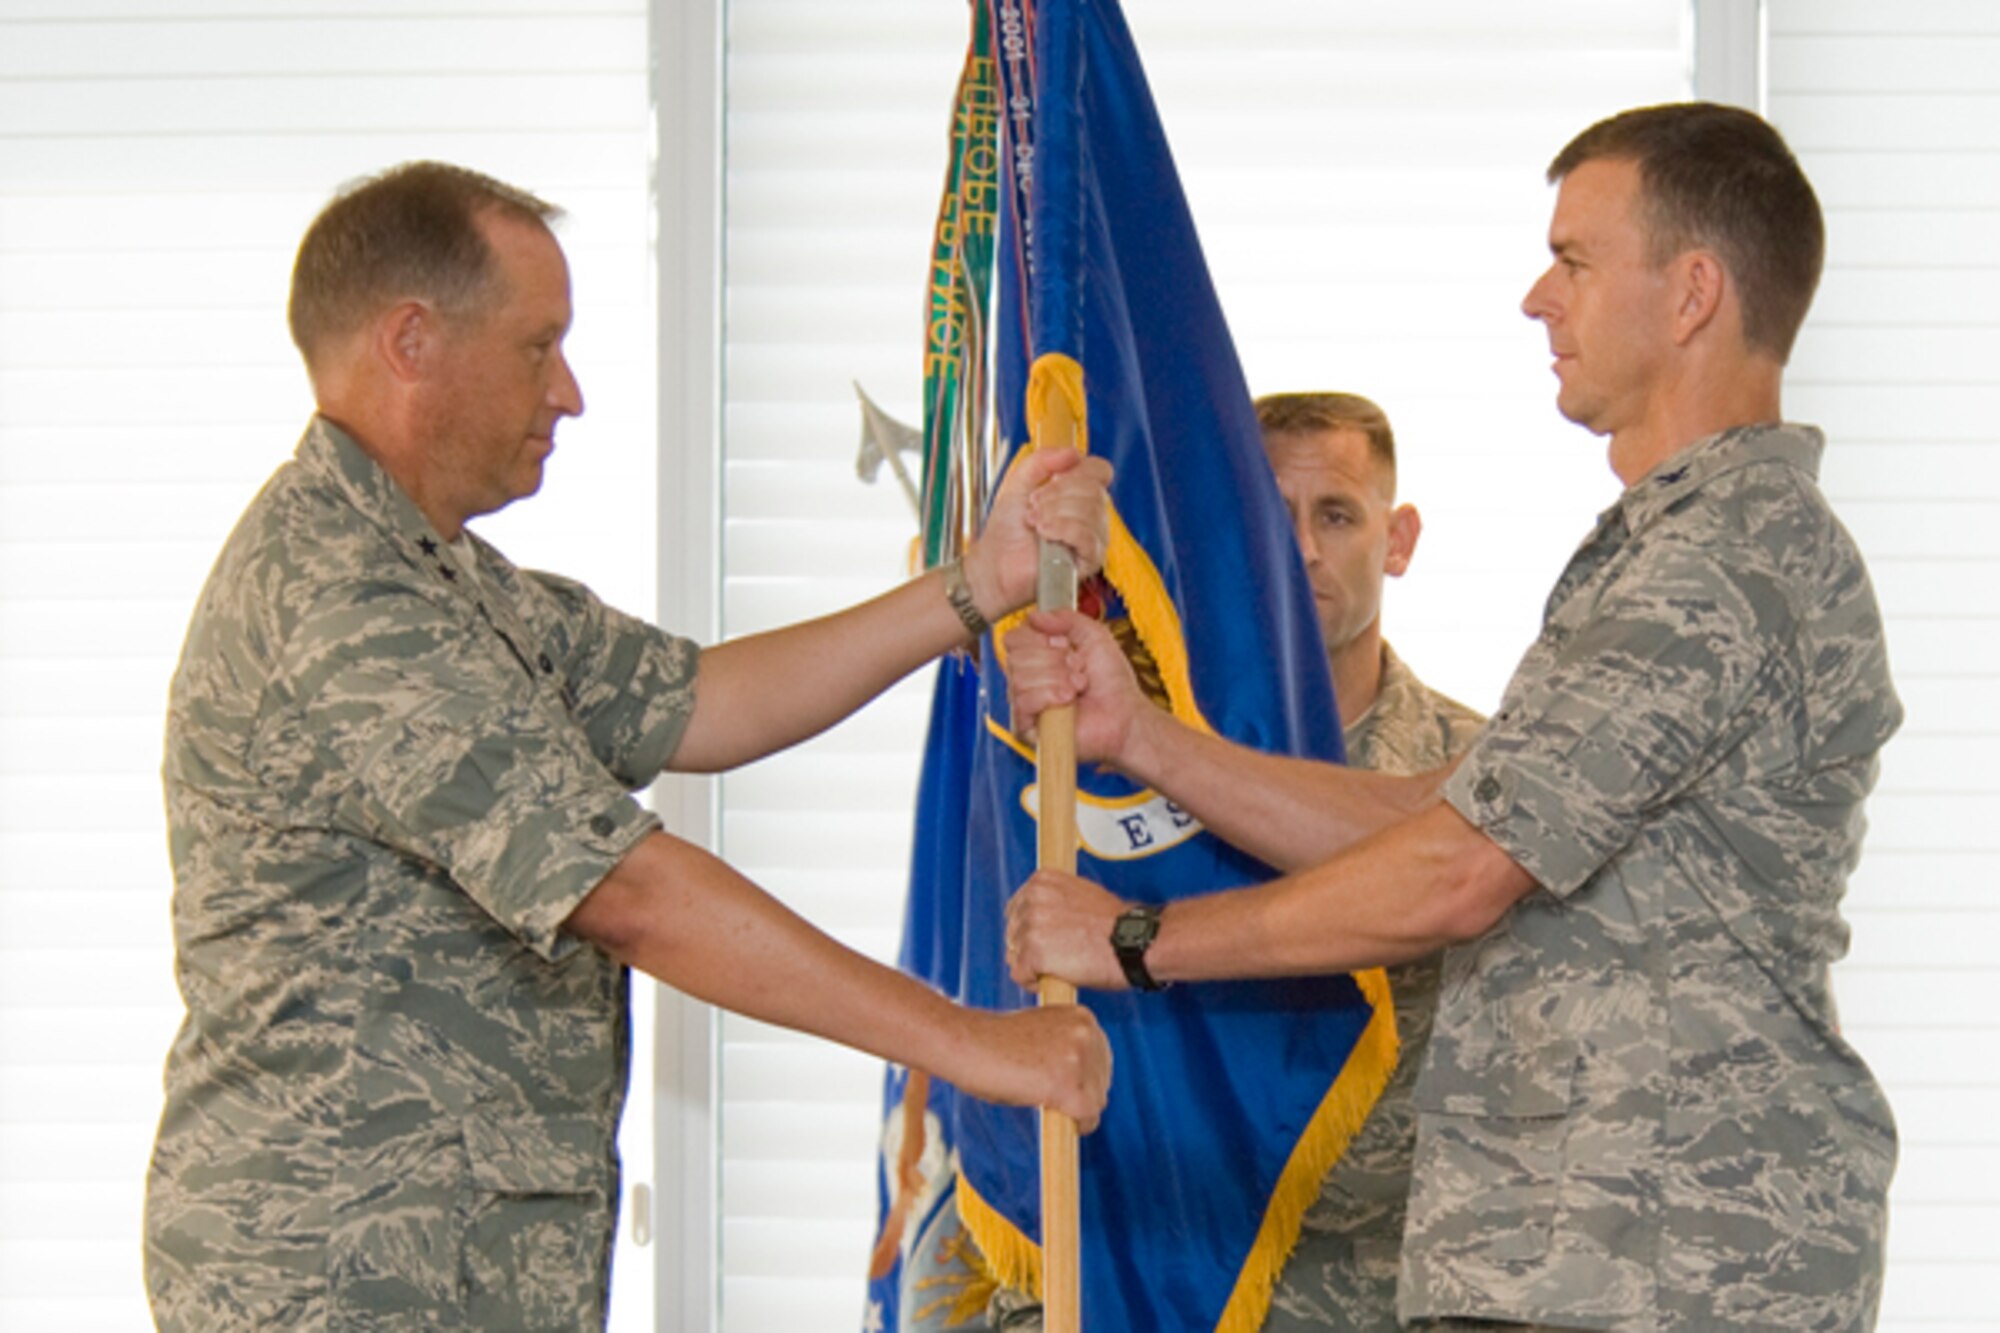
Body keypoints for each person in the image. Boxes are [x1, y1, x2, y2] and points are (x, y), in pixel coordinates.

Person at [144, 160, 1114, 1331]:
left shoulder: (449, 580)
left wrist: (975, 583)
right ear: (411, 340)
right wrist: (972, 1045)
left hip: (450, 1265)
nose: (569, 392)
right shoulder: (341, 599)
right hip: (340, 1274)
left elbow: (703, 701)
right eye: (536, 345)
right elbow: (632, 894)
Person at [1005, 102, 1900, 1331]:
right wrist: (1139, 735)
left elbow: (1450, 876)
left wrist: (1135, 940)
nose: (1539, 297)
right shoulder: (1660, 549)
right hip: (1580, 1257)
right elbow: (1434, 813)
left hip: (1675, 1264)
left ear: (1691, 293)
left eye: (1575, 260)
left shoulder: (1728, 555)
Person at [1251, 390, 1484, 1331]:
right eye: (1270, 516)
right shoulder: (1134, 784)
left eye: (1336, 514)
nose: (1302, 548)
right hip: (1186, 1291)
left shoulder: (1485, 776)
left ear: (1398, 540)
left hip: (1405, 1300)